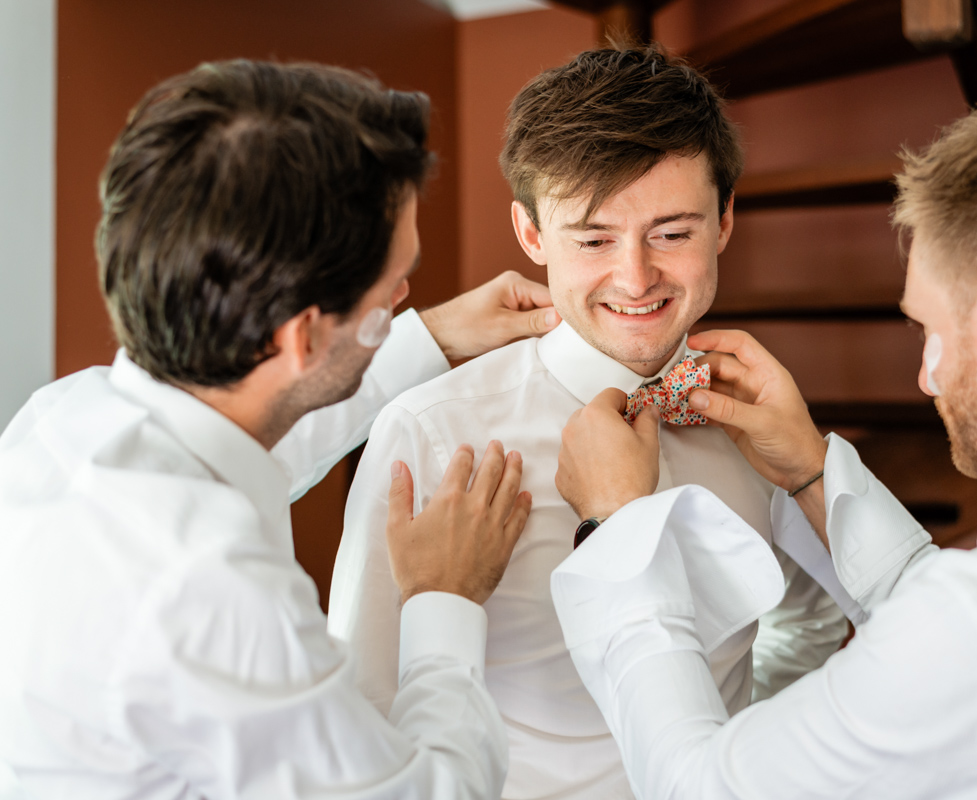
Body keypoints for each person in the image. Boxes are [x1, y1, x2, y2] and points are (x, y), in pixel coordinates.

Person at [550, 70, 977, 798]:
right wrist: (811, 476)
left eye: (928, 328)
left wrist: (617, 533)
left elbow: (698, 789)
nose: (927, 377)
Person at [0, 60, 563, 799]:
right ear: (303, 336)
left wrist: (427, 335)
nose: (404, 295)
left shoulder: (64, 419)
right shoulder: (212, 591)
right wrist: (444, 599)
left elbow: (261, 424)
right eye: (393, 288)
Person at [328, 46, 845, 800]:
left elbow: (808, 623)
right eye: (593, 238)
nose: (636, 279)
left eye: (672, 233)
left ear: (726, 219)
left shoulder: (764, 418)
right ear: (533, 235)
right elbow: (363, 715)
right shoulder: (431, 434)